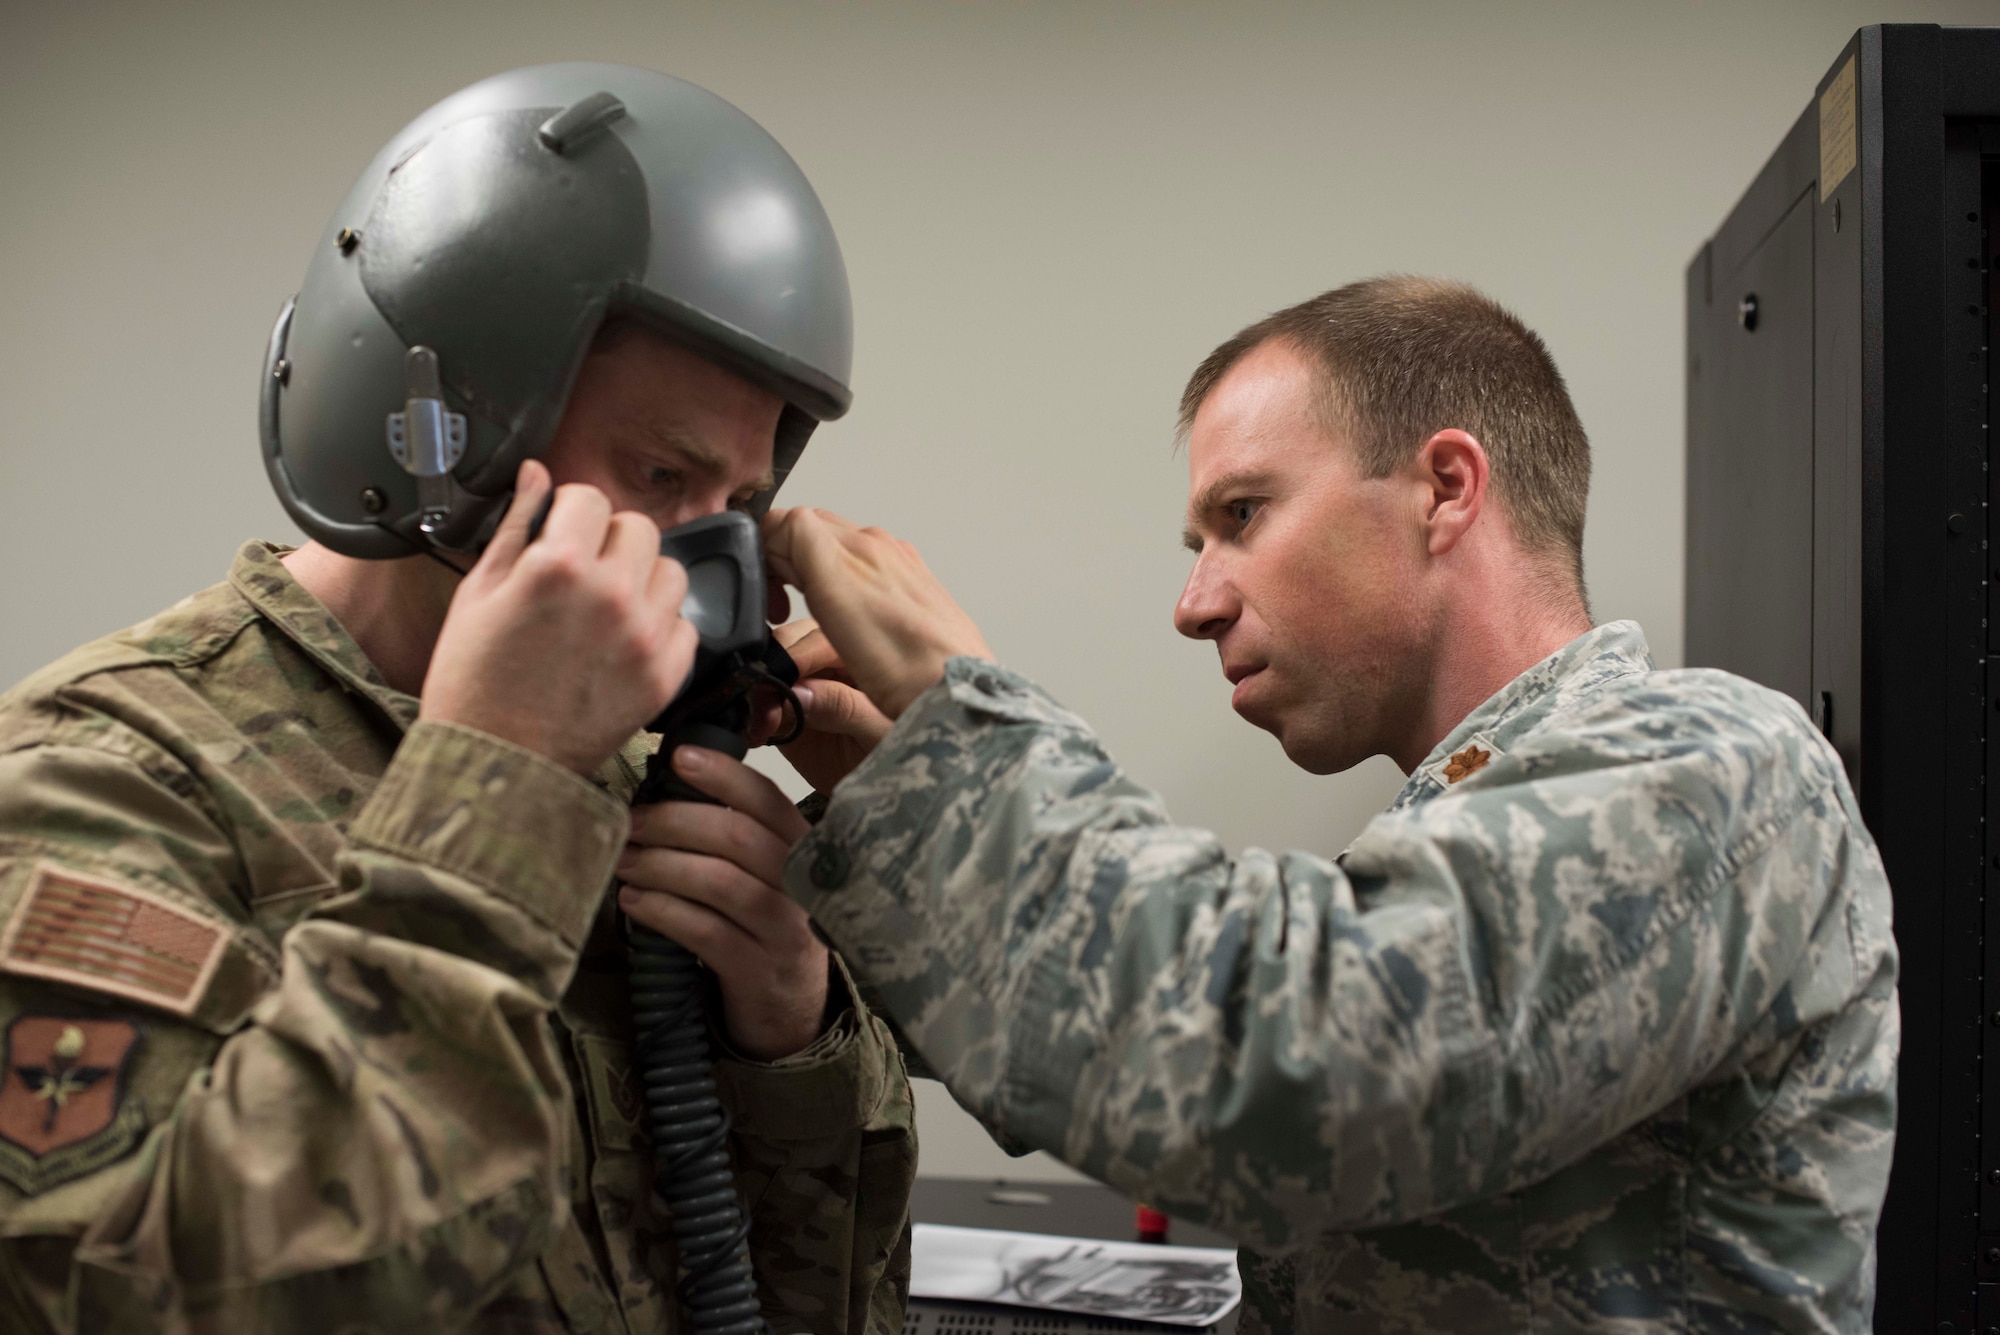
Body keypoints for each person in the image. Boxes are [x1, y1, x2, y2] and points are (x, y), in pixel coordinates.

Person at [740, 277, 1899, 1331]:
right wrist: (896, 818)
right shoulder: (1442, 836)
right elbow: (1161, 1042)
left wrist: (959, 732)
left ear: (1444, 490)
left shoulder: (1719, 772)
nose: (1192, 605)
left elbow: (1273, 1073)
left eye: (1240, 515)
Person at [0, 65, 914, 1333]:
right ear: (428, 428)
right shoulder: (104, 776)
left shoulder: (625, 778)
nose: (710, 563)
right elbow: (145, 1301)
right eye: (660, 472)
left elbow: (819, 1298)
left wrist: (787, 1033)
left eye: (738, 504)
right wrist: (495, 791)